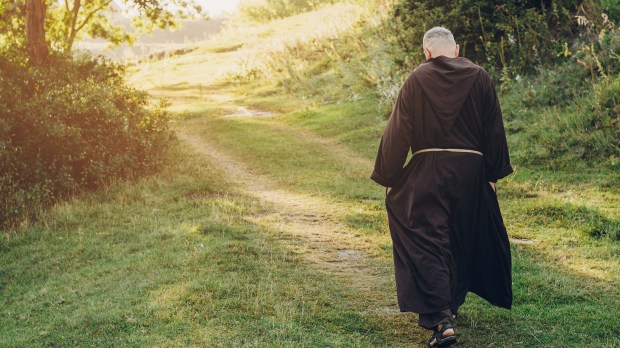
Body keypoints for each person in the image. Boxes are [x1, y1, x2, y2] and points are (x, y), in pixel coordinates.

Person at [370, 27, 513, 348]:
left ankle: (441, 319)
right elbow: (494, 129)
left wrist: (391, 177)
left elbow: (399, 130)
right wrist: (491, 175)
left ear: (426, 52)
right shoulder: (480, 77)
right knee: (460, 239)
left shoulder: (418, 78)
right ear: (457, 50)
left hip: (428, 169)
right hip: (471, 171)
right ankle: (450, 305)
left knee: (425, 239)